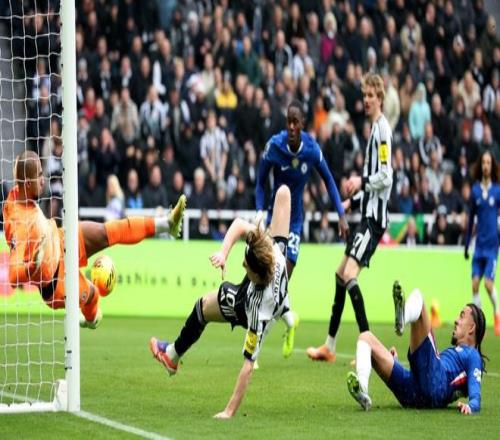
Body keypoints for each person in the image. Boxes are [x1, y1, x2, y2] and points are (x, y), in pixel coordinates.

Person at [150, 185, 292, 419]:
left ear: (255, 273)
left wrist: (228, 411)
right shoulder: (271, 249)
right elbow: (238, 225)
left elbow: (248, 367)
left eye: (246, 265)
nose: (242, 264)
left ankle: (172, 356)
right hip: (270, 285)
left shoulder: (256, 310)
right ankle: (173, 354)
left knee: (203, 306)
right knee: (284, 191)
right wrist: (224, 253)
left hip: (248, 303)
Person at [3, 151, 186, 329]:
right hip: (56, 281)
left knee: (106, 232)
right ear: (27, 183)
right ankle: (89, 320)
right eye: (39, 176)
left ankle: (166, 224)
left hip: (59, 239)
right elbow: (12, 276)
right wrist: (32, 266)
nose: (43, 180)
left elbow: (20, 167)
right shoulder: (20, 224)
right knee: (93, 296)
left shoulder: (18, 191)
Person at [307, 73, 393, 362]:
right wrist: (351, 201)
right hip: (365, 215)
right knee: (340, 274)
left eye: (370, 96)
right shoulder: (374, 129)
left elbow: (386, 176)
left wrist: (360, 181)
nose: (366, 100)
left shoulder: (382, 131)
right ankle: (329, 346)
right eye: (364, 95)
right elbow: (372, 188)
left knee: (349, 275)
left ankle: (368, 348)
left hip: (373, 221)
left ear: (380, 99)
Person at [256, 99, 349, 357]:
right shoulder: (274, 146)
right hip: (274, 221)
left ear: (303, 124)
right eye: (288, 122)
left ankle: (277, 328)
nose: (291, 127)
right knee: (269, 283)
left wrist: (341, 214)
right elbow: (260, 182)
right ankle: (286, 322)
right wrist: (260, 212)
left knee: (280, 281)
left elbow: (329, 180)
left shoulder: (311, 150)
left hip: (295, 224)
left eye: (295, 122)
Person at [347, 281, 486, 414]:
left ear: (471, 328)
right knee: (365, 337)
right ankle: (362, 390)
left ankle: (402, 318)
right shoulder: (456, 356)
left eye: (462, 317)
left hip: (435, 383)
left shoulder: (473, 355)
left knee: (418, 296)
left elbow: (475, 393)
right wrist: (396, 361)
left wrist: (472, 406)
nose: (456, 320)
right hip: (415, 392)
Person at [464, 150, 500, 335]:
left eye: (488, 162)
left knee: (488, 284)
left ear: (492, 166)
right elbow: (471, 219)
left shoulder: (498, 191)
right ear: (481, 166)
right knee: (475, 285)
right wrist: (466, 244)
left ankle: (497, 313)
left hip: (492, 246)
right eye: (484, 162)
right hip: (479, 246)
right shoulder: (475, 191)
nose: (486, 166)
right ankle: (479, 323)